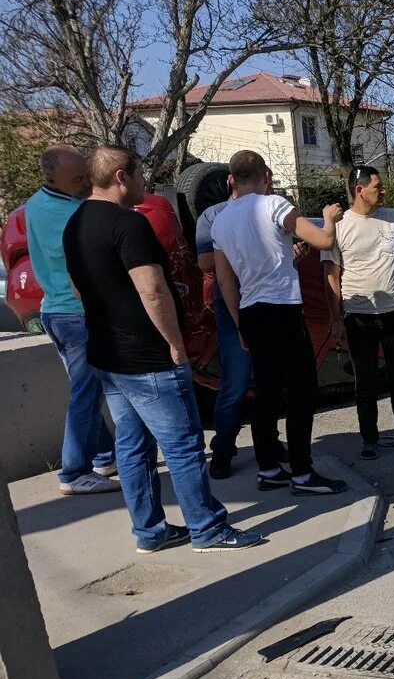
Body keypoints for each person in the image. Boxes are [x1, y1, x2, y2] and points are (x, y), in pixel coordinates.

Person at [62, 146, 261, 553]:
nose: (144, 182)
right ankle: (207, 529)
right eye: (138, 174)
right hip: (148, 359)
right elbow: (152, 291)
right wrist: (174, 346)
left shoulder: (75, 223)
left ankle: (150, 532)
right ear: (120, 177)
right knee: (184, 445)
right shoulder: (128, 225)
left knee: (132, 448)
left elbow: (77, 288)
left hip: (108, 356)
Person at [211, 150, 347, 495]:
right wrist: (329, 217)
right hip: (283, 309)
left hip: (251, 311)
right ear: (266, 176)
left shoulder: (220, 221)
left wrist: (239, 323)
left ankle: (269, 468)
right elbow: (323, 240)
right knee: (302, 392)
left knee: (267, 393)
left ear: (231, 179)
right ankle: (302, 474)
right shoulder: (273, 204)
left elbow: (225, 281)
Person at [23, 145, 120, 496]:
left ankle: (105, 457)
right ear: (52, 178)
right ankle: (74, 471)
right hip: (76, 313)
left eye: (85, 176)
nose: (84, 184)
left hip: (54, 311)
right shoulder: (72, 212)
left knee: (86, 390)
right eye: (77, 179)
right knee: (87, 393)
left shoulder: (33, 205)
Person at [323, 166, 394, 461]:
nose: (382, 191)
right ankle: (369, 439)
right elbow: (331, 275)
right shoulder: (340, 225)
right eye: (377, 186)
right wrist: (335, 318)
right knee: (366, 382)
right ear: (360, 190)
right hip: (358, 315)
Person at [195, 178, 253, 479]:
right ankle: (223, 449)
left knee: (269, 380)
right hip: (233, 308)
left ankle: (267, 444)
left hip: (269, 304)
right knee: (236, 381)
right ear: (232, 180)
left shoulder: (273, 209)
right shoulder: (213, 215)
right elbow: (205, 262)